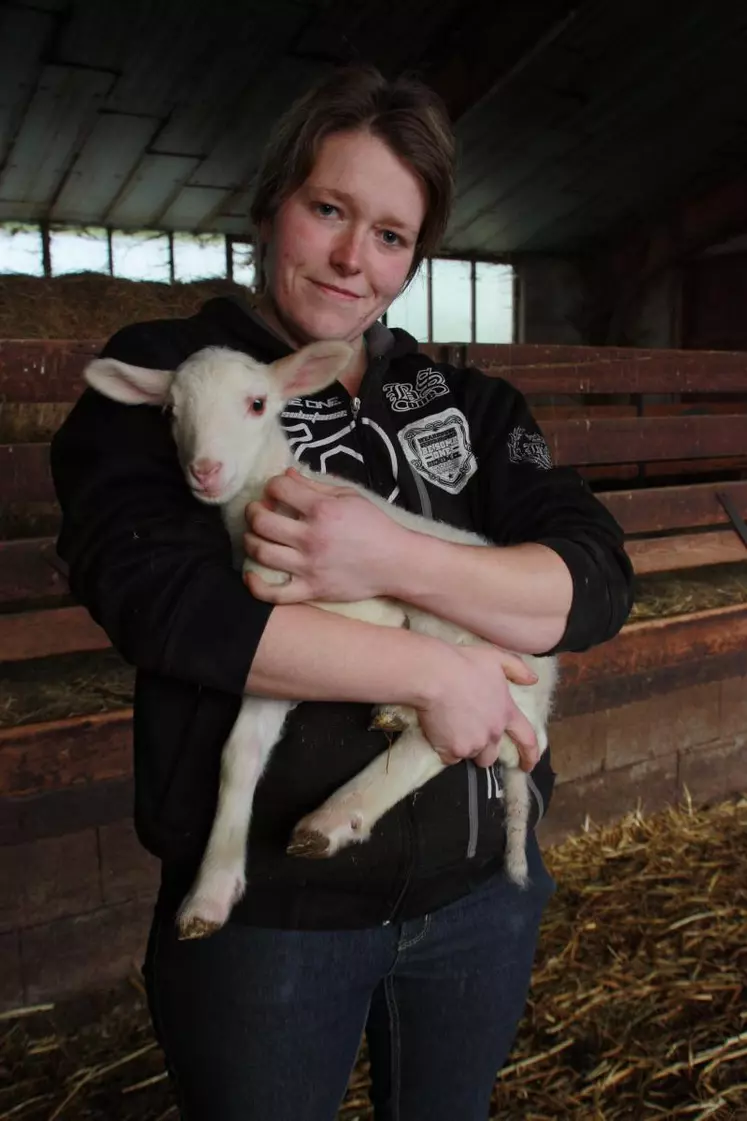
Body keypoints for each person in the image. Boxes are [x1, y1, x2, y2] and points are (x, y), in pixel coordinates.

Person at [51, 64, 634, 1121]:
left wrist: (388, 559)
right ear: (276, 201)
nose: (353, 258)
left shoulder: (466, 399)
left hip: (478, 902)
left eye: (392, 235)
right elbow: (163, 601)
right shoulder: (174, 371)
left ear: (415, 254)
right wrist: (437, 671)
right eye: (329, 209)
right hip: (269, 914)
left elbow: (590, 582)